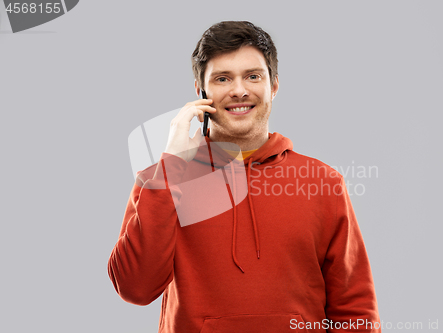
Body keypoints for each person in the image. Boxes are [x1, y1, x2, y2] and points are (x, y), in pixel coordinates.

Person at [108, 21, 381, 333]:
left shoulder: (323, 182)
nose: (239, 90)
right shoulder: (160, 180)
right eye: (223, 78)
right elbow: (135, 288)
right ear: (201, 92)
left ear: (273, 86)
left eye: (253, 76)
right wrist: (171, 167)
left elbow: (355, 308)